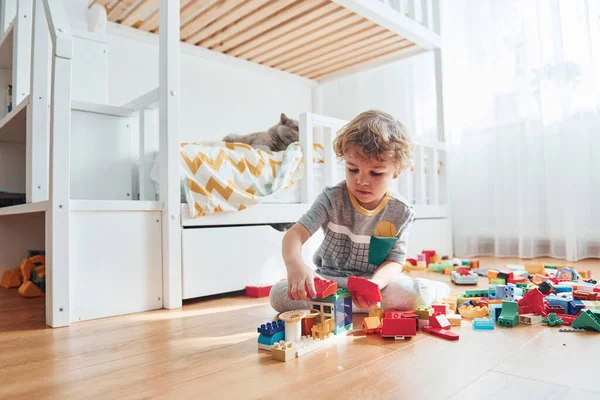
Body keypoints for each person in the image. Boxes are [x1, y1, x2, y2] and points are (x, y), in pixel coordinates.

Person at [269, 110, 450, 313]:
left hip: (376, 283)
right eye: (353, 169)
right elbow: (294, 234)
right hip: (330, 281)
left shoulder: (401, 211)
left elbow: (394, 261)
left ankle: (434, 290)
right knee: (278, 295)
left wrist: (376, 284)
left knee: (413, 293)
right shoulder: (331, 198)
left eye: (376, 173)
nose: (362, 181)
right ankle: (346, 305)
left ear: (396, 171)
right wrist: (296, 266)